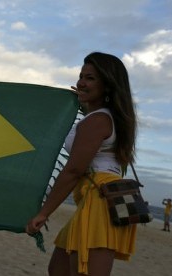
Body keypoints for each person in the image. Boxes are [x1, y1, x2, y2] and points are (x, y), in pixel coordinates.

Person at [26, 52, 137, 275]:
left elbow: (74, 170)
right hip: (100, 199)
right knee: (58, 269)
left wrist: (43, 213)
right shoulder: (105, 117)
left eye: (91, 78)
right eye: (81, 76)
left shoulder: (97, 121)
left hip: (99, 201)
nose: (81, 82)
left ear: (107, 85)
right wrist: (86, 98)